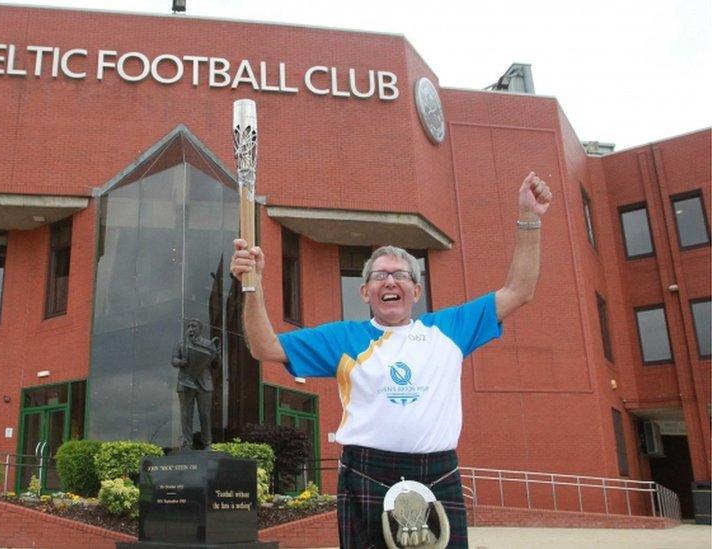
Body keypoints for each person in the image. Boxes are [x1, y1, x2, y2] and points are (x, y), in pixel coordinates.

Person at [229, 173, 552, 548]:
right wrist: (252, 285)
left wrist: (530, 218)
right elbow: (264, 347)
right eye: (380, 275)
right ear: (365, 291)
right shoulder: (343, 338)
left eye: (401, 275)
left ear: (416, 290)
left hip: (438, 473)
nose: (391, 282)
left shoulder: (449, 329)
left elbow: (520, 289)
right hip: (366, 472)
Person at [172, 319, 220, 449]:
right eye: (188, 326)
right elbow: (174, 360)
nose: (191, 328)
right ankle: (187, 443)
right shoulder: (181, 344)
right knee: (186, 414)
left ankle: (207, 443)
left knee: (205, 414)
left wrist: (217, 357)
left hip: (204, 384)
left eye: (194, 326)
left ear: (200, 329)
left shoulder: (208, 344)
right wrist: (182, 362)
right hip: (185, 382)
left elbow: (215, 366)